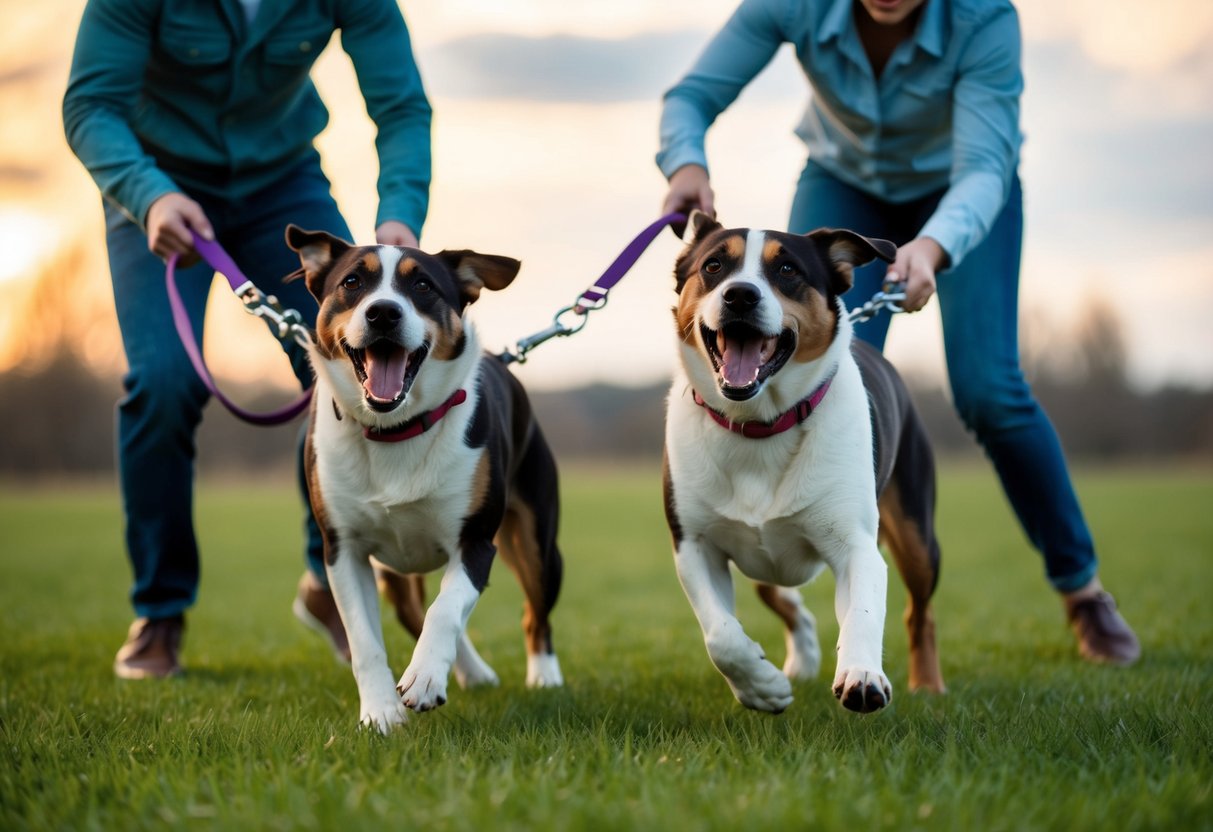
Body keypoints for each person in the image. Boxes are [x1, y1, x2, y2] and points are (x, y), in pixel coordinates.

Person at [657, 0, 1140, 664]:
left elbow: (982, 167)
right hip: (842, 182)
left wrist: (933, 247)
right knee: (809, 369)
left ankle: (1082, 591)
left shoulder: (983, 19)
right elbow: (693, 94)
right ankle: (770, 550)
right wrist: (685, 162)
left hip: (962, 192)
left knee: (988, 390)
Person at [62, 0, 432, 678]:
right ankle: (160, 612)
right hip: (157, 184)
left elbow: (401, 106)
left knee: (348, 375)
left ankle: (327, 578)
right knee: (163, 384)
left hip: (282, 185)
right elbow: (90, 107)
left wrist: (399, 215)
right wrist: (147, 195)